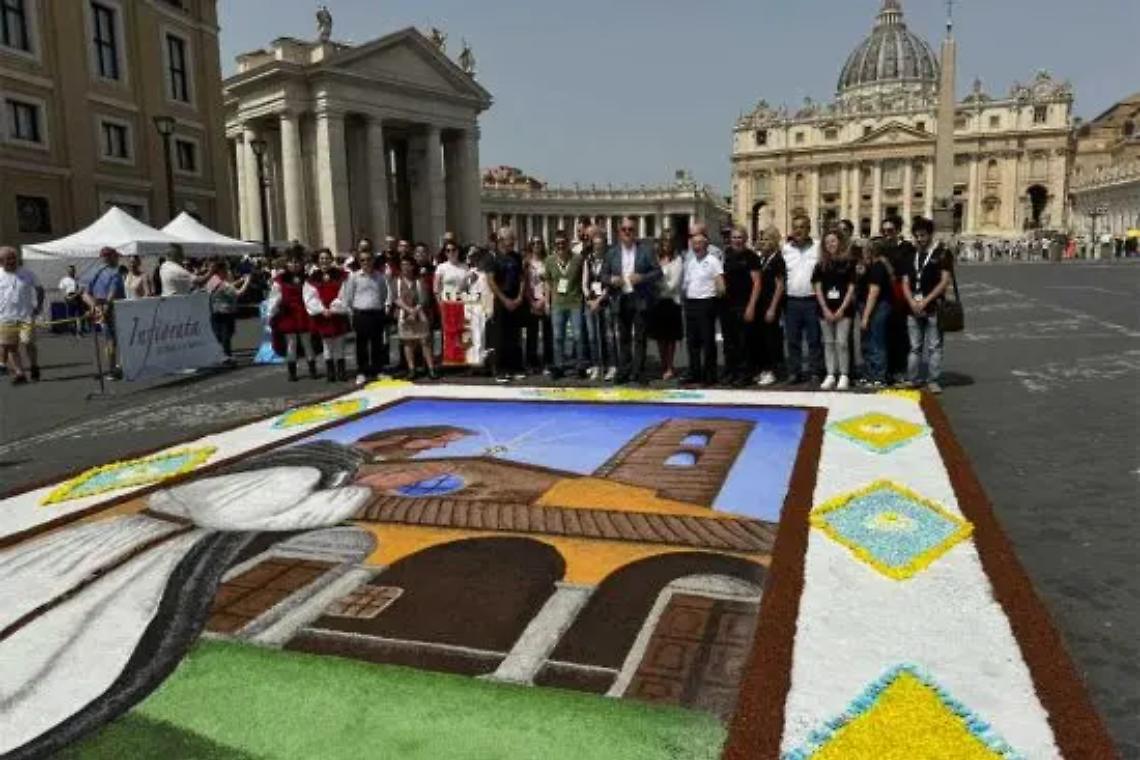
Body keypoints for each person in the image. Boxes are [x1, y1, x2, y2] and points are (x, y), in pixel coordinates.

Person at [600, 217, 660, 384]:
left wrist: (642, 277)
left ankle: (639, 372)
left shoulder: (645, 250)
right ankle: (624, 371)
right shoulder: (612, 252)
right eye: (624, 229)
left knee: (640, 337)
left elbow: (657, 272)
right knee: (624, 337)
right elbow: (602, 275)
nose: (627, 232)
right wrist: (611, 280)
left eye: (630, 229)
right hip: (620, 299)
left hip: (639, 298)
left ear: (635, 232)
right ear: (619, 232)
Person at [902, 217, 952, 394]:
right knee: (914, 347)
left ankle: (933, 380)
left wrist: (926, 300)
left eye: (922, 235)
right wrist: (911, 301)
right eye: (916, 236)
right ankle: (912, 378)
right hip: (913, 307)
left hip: (933, 307)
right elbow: (905, 282)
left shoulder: (942, 254)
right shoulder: (910, 256)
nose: (919, 239)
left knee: (934, 346)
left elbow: (944, 281)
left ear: (930, 235)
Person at [340, 247, 392, 385]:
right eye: (362, 260)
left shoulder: (380, 276)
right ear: (359, 261)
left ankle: (378, 370)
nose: (366, 262)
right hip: (360, 314)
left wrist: (382, 307)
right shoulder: (354, 277)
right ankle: (362, 372)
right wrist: (351, 313)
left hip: (376, 313)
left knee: (377, 344)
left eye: (369, 259)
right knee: (361, 345)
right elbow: (348, 297)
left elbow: (384, 293)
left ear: (373, 260)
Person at [681, 224, 725, 386]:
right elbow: (686, 282)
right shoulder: (691, 261)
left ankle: (710, 375)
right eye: (694, 243)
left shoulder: (713, 260)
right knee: (692, 342)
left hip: (706, 303)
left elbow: (720, 282)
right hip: (691, 302)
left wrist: (717, 297)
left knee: (708, 342)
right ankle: (694, 373)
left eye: (699, 244)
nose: (696, 246)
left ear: (706, 245)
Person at [812, 231, 856, 391]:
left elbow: (851, 287)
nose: (831, 245)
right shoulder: (820, 265)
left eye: (834, 241)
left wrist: (842, 308)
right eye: (827, 242)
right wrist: (824, 308)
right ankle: (831, 373)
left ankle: (844, 374)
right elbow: (817, 287)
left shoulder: (849, 263)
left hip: (844, 308)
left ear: (840, 243)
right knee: (828, 343)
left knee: (842, 343)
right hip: (825, 308)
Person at [782, 213, 822, 384]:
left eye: (802, 227)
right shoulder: (785, 249)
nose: (798, 231)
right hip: (791, 301)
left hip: (812, 300)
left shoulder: (818, 247)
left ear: (809, 229)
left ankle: (815, 371)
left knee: (814, 339)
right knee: (793, 340)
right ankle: (794, 372)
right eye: (796, 227)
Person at [721, 226, 762, 386]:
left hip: (744, 304)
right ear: (730, 239)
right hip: (727, 304)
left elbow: (757, 283)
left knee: (744, 342)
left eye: (740, 237)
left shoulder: (751, 257)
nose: (737, 240)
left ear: (745, 239)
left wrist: (751, 306)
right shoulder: (727, 255)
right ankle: (731, 371)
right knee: (729, 341)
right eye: (734, 237)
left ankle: (745, 374)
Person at [304, 248, 351, 383]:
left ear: (331, 259)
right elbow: (310, 296)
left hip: (337, 313)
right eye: (321, 258)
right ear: (318, 261)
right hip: (322, 315)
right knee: (327, 344)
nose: (324, 261)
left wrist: (334, 308)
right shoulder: (312, 278)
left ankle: (341, 371)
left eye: (326, 258)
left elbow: (345, 293)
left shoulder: (341, 275)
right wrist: (321, 309)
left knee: (339, 343)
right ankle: (331, 372)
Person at [487, 227, 526, 382]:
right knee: (500, 336)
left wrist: (519, 297)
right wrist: (504, 299)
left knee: (514, 336)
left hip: (515, 299)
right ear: (501, 240)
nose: (513, 242)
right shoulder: (493, 258)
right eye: (511, 239)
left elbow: (522, 278)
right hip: (501, 299)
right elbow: (491, 281)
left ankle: (514, 368)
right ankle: (500, 370)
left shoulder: (516, 257)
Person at [543, 232, 584, 380]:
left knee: (578, 336)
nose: (560, 246)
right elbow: (547, 282)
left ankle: (580, 366)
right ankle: (559, 366)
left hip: (575, 302)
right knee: (558, 337)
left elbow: (583, 280)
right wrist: (547, 302)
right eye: (557, 243)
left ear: (568, 243)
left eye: (563, 243)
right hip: (558, 303)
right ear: (554, 245)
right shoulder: (549, 261)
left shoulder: (578, 259)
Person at [82, 247, 127, 378]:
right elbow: (111, 296)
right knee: (118, 340)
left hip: (102, 310)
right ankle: (118, 368)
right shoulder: (115, 273)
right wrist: (104, 310)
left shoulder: (94, 272)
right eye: (116, 256)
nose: (118, 259)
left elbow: (85, 294)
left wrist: (95, 308)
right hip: (115, 310)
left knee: (109, 341)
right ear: (111, 257)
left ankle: (112, 369)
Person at [0, 247, 42, 385]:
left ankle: (34, 366)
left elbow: (39, 289)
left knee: (28, 342)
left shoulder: (27, 273)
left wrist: (39, 306)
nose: (12, 261)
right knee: (11, 346)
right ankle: (20, 373)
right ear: (1, 261)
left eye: (14, 258)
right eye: (9, 259)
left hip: (26, 316)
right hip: (5, 317)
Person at [880, 216, 914, 384]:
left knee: (901, 334)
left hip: (900, 296)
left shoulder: (907, 248)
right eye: (884, 231)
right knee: (884, 334)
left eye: (890, 231)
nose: (887, 235)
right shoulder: (880, 248)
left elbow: (906, 270)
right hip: (883, 297)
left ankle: (900, 369)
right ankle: (888, 369)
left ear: (898, 231)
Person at [394, 255, 438, 380]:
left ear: (413, 266)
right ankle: (411, 369)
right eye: (403, 265)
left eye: (408, 264)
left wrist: (415, 311)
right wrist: (408, 310)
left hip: (420, 315)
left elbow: (424, 299)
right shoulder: (397, 281)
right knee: (407, 342)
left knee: (425, 341)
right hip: (404, 315)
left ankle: (431, 368)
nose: (405, 267)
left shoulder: (419, 281)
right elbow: (396, 298)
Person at [858, 239, 894, 388]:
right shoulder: (872, 266)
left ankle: (878, 376)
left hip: (877, 307)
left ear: (871, 251)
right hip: (872, 306)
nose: (862, 253)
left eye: (864, 251)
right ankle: (869, 374)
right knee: (867, 341)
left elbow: (874, 292)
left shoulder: (878, 267)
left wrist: (866, 316)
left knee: (876, 342)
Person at [648, 233, 683, 381]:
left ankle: (669, 366)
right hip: (657, 303)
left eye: (669, 242)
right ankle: (663, 365)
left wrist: (659, 282)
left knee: (671, 338)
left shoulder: (678, 260)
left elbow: (674, 284)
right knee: (660, 337)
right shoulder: (656, 260)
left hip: (672, 302)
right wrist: (656, 283)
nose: (666, 245)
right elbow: (649, 279)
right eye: (664, 242)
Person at [754, 226, 787, 386]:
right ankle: (764, 369)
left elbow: (780, 286)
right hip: (762, 304)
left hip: (771, 305)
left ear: (774, 242)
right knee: (762, 339)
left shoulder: (778, 260)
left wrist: (773, 308)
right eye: (762, 239)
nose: (763, 242)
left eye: (767, 239)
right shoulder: (763, 259)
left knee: (772, 339)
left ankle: (773, 371)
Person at [581, 230, 615, 381]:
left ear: (604, 245)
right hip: (590, 302)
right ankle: (596, 365)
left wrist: (599, 300)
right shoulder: (588, 260)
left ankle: (612, 366)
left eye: (600, 245)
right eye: (595, 245)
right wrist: (589, 299)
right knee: (592, 336)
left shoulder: (609, 261)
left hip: (605, 302)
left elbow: (609, 286)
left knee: (608, 336)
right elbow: (584, 282)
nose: (598, 248)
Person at [205, 260, 251, 362]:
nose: (228, 272)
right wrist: (247, 281)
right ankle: (227, 356)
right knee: (227, 334)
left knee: (220, 334)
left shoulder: (212, 280)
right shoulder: (224, 284)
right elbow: (238, 293)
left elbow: (228, 287)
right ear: (221, 270)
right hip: (226, 312)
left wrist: (239, 281)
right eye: (226, 269)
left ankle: (223, 354)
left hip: (214, 311)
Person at [523, 237, 553, 374]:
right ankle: (532, 362)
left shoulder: (547, 261)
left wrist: (545, 300)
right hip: (532, 300)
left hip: (545, 299)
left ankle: (548, 362)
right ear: (530, 245)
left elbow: (550, 282)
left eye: (539, 242)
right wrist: (531, 301)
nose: (537, 245)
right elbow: (525, 284)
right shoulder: (526, 263)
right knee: (532, 334)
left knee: (548, 334)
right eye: (534, 243)